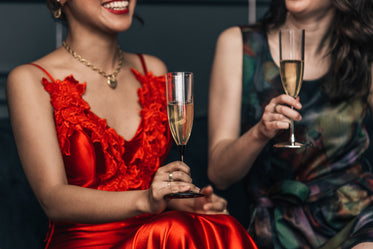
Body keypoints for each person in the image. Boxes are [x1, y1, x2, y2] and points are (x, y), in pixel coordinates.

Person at [6, 0, 258, 248]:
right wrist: (144, 201)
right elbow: (53, 200)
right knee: (175, 229)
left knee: (220, 226)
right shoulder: (30, 79)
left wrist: (185, 203)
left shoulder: (153, 70)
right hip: (87, 242)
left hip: (158, 237)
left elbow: (147, 186)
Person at [208, 0, 373, 248]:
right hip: (277, 229)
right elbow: (219, 175)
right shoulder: (239, 45)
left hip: (357, 217)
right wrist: (260, 133)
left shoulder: (363, 51)